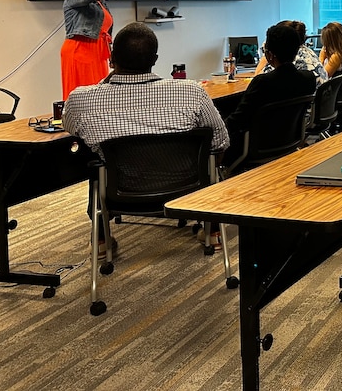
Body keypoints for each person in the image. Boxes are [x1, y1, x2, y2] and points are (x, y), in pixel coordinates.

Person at [63, 22, 229, 253]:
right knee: (211, 161)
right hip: (189, 189)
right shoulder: (191, 91)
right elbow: (221, 141)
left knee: (95, 164)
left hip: (120, 194)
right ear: (155, 59)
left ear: (111, 58)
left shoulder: (82, 99)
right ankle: (212, 231)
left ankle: (101, 240)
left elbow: (70, 129)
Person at [225, 23, 316, 162]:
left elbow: (237, 121)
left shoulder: (262, 83)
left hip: (252, 147)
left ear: (269, 54)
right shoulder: (308, 79)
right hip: (290, 142)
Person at [61, 0, 142, 99]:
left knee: (99, 94)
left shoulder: (100, 3)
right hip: (80, 49)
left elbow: (105, 32)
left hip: (98, 51)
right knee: (83, 95)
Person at [255, 20, 328, 85]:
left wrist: (268, 52)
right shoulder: (308, 52)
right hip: (316, 99)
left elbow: (257, 79)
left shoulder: (284, 60)